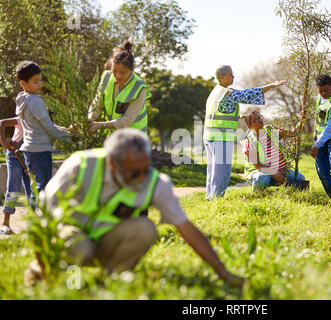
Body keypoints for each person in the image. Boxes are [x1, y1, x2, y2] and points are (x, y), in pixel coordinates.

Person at [24, 128, 244, 287]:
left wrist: (223, 272)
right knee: (77, 247)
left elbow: (186, 228)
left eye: (145, 169)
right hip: (72, 237)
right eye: (133, 172)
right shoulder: (80, 165)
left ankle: (108, 285)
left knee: (145, 229)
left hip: (106, 241)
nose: (141, 178)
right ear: (112, 163)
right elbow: (42, 217)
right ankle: (58, 280)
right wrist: (45, 264)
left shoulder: (156, 182)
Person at [203, 65, 287, 200]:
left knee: (213, 170)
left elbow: (221, 110)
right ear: (222, 77)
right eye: (231, 74)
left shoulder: (216, 92)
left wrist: (238, 116)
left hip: (210, 137)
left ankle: (210, 197)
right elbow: (248, 94)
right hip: (221, 138)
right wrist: (271, 85)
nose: (233, 76)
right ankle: (217, 199)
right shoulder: (228, 93)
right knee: (222, 172)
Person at [15, 61, 72, 207]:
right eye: (35, 82)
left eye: (40, 80)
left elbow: (44, 125)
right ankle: (41, 222)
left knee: (36, 188)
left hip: (28, 150)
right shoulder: (36, 101)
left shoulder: (22, 99)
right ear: (23, 83)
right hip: (40, 150)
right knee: (44, 189)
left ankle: (34, 220)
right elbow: (49, 128)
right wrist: (70, 136)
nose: (40, 84)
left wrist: (66, 130)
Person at [88, 40, 151, 134]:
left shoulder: (139, 88)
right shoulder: (106, 77)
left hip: (135, 138)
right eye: (114, 71)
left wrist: (101, 125)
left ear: (131, 70)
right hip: (114, 135)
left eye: (122, 73)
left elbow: (127, 120)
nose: (117, 76)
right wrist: (90, 120)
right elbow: (97, 103)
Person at [240, 111, 306, 192]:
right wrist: (274, 173)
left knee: (300, 178)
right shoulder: (251, 140)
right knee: (262, 179)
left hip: (281, 170)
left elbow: (292, 133)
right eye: (255, 120)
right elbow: (258, 165)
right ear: (249, 125)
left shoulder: (271, 130)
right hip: (259, 172)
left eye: (260, 117)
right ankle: (258, 196)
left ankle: (283, 193)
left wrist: (302, 120)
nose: (260, 120)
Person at [0, 117, 31, 235]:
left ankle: (34, 223)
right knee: (14, 188)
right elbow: (2, 122)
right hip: (15, 154)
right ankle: (5, 223)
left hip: (31, 155)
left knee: (32, 189)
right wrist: (3, 140)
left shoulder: (40, 119)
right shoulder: (22, 118)